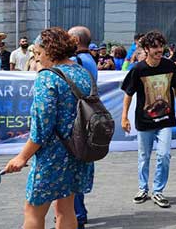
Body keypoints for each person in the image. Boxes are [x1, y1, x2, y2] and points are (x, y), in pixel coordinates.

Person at [3, 28, 95, 229]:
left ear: (50, 51)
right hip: (79, 151)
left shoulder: (48, 77)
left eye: (38, 53)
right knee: (65, 209)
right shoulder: (83, 73)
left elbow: (41, 128)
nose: (37, 59)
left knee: (33, 210)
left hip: (53, 156)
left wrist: (22, 157)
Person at [120, 31, 176, 208]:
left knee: (164, 155)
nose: (159, 49)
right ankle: (142, 188)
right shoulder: (138, 69)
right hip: (145, 120)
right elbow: (128, 94)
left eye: (161, 46)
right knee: (144, 156)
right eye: (155, 46)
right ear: (146, 49)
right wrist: (124, 117)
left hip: (166, 119)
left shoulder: (170, 66)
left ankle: (158, 191)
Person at [67, 26, 97, 227]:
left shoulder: (77, 62)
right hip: (88, 121)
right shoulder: (89, 60)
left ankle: (76, 215)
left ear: (76, 41)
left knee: (72, 171)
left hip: (77, 121)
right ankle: (79, 212)